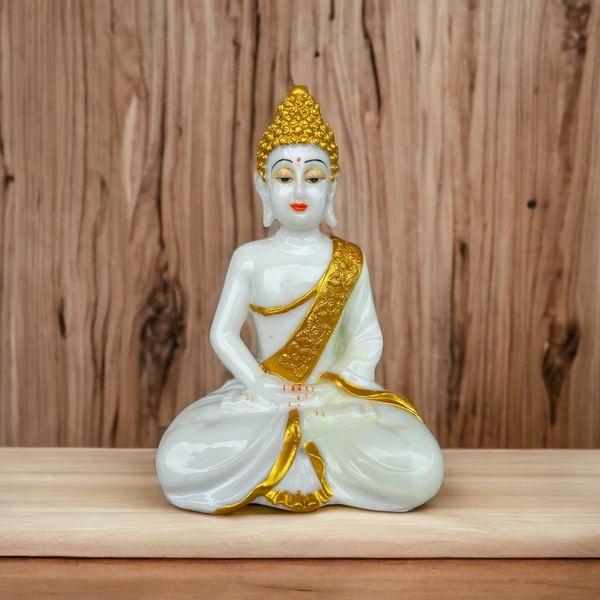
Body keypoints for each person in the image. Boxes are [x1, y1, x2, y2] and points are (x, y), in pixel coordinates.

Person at [155, 86, 444, 513]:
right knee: (176, 459)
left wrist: (329, 392)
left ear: (332, 187)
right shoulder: (250, 258)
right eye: (284, 178)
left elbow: (366, 338)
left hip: (331, 401)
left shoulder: (349, 261)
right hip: (264, 397)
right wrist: (260, 385)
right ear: (263, 187)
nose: (299, 192)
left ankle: (290, 461)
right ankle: (309, 460)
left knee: (422, 465)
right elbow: (223, 334)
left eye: (313, 179)